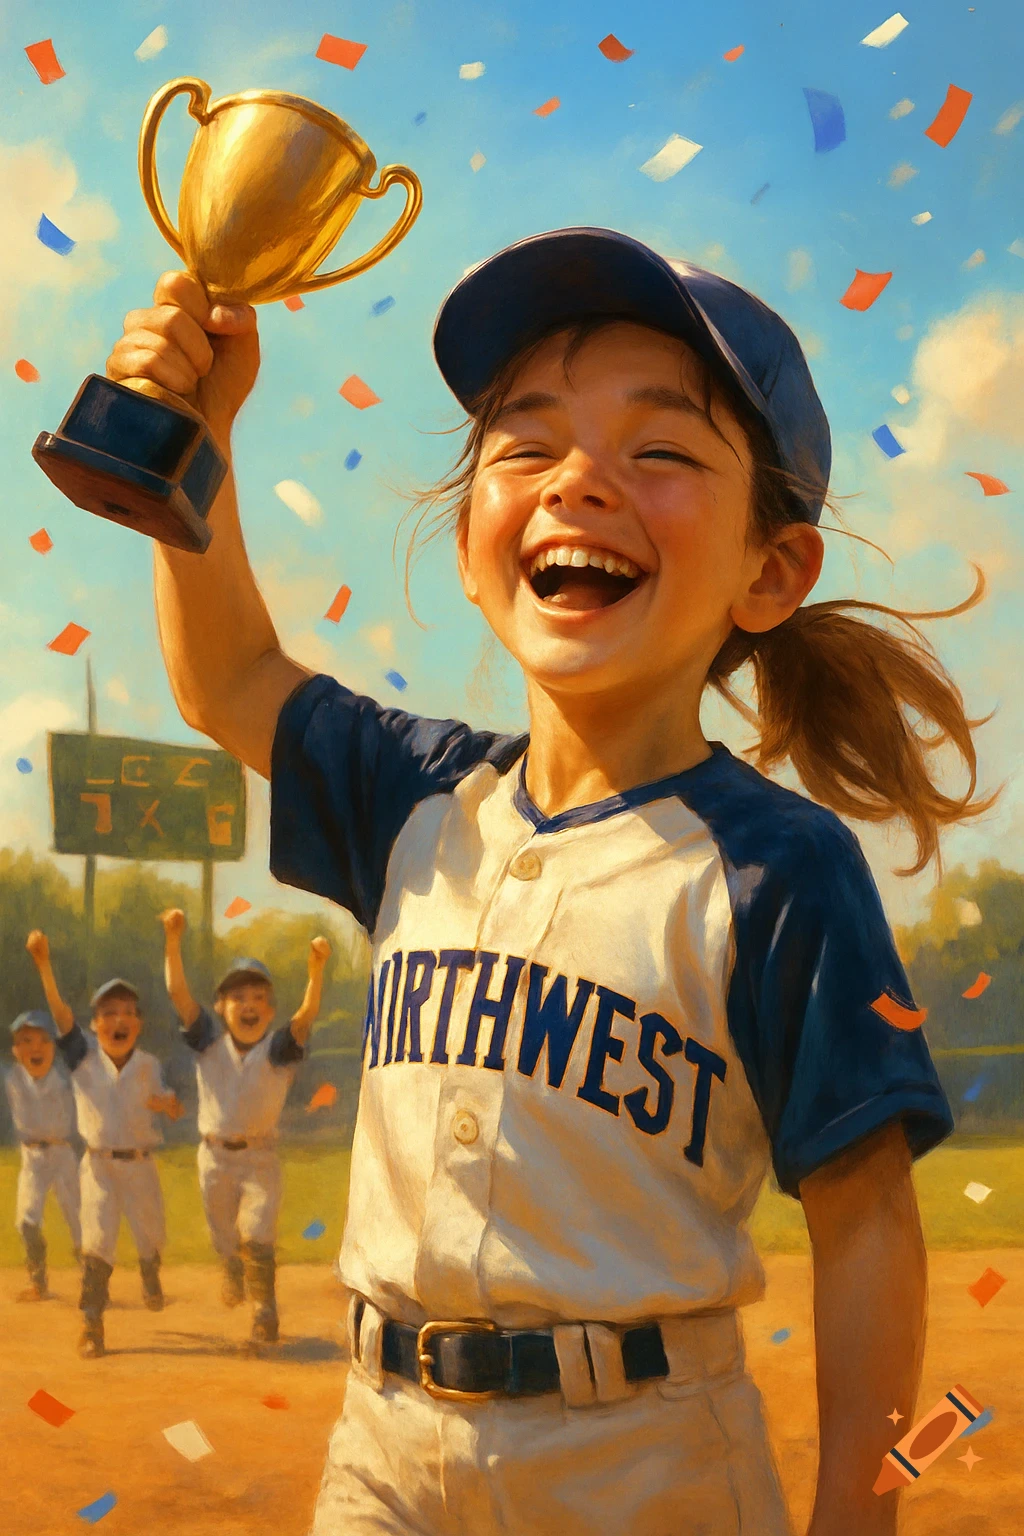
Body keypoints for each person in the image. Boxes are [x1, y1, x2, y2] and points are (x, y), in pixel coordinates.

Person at [107, 228, 992, 1534]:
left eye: (663, 450)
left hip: (643, 1464)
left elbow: (867, 1228)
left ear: (771, 570)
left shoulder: (778, 867)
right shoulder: (416, 797)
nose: (580, 478)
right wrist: (191, 437)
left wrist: (861, 1519)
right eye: (526, 444)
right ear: (472, 545)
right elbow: (229, 680)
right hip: (381, 1450)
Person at [158, 908, 329, 1345]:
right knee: (222, 1234)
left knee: (257, 1231)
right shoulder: (209, 1042)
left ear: (270, 1010)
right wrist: (173, 939)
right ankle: (230, 1266)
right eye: (237, 997)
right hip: (213, 1156)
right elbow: (178, 992)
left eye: (257, 997)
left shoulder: (278, 1049)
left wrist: (316, 970)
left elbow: (307, 1015)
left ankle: (264, 1309)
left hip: (259, 1157)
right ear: (221, 1007)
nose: (248, 1005)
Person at [26, 931, 183, 1358]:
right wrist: (43, 961)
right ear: (95, 1025)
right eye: (109, 1012)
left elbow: (169, 1103)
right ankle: (92, 1324)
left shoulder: (149, 1064)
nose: (119, 1019)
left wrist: (167, 1105)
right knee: (97, 1244)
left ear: (139, 1024)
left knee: (150, 1236)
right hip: (97, 1167)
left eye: (128, 1013)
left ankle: (150, 1270)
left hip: (141, 1166)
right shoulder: (82, 1058)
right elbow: (59, 1014)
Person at [4, 1009, 81, 1301]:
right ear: (15, 1050)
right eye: (26, 1041)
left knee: (76, 1218)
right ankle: (39, 1281)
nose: (35, 1048)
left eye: (43, 1041)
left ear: (53, 1047)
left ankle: (93, 1281)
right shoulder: (13, 1079)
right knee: (26, 1219)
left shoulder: (64, 1079)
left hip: (62, 1153)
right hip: (32, 1156)